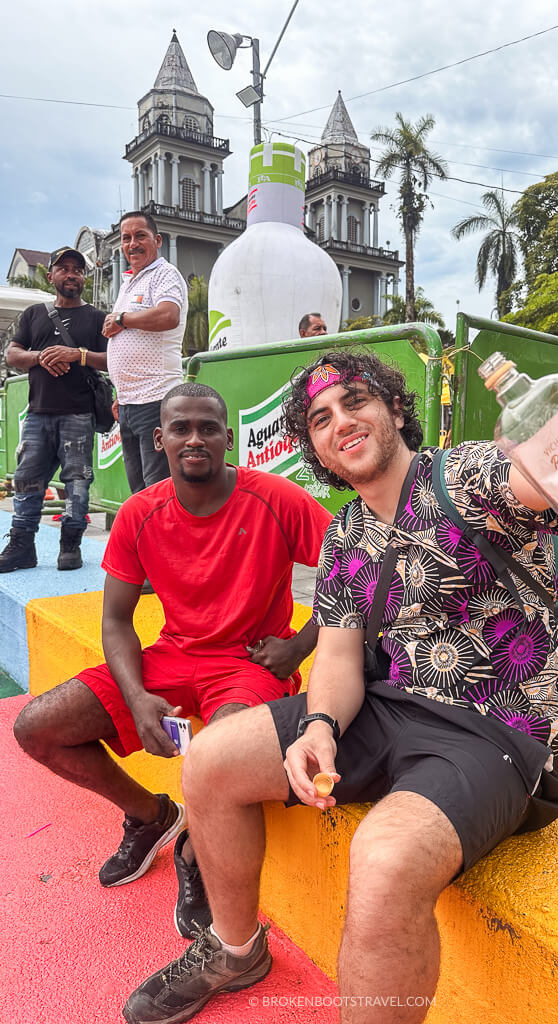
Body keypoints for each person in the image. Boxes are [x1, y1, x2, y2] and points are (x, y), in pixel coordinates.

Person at [123, 349, 558, 1024]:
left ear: (394, 408)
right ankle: (234, 948)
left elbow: (533, 474)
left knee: (381, 859)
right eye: (319, 417)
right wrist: (318, 727)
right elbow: (341, 659)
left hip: (493, 727)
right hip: (386, 707)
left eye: (355, 400)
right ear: (313, 445)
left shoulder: (463, 475)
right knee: (209, 760)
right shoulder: (344, 533)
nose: (340, 421)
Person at [13, 381, 331, 940]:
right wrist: (135, 698)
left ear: (228, 438)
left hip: (251, 664)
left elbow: (354, 572)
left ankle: (195, 854)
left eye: (209, 427)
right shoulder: (140, 513)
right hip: (173, 656)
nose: (195, 439)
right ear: (158, 438)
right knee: (37, 727)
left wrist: (299, 644)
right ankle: (152, 817)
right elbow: (115, 620)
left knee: (221, 757)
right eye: (180, 428)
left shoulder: (275, 498)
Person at [0, 247, 108, 573]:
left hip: (78, 413)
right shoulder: (35, 314)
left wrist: (77, 354)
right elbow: (12, 355)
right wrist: (43, 356)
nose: (71, 274)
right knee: (26, 480)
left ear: (84, 278)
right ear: (52, 277)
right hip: (37, 413)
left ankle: (70, 545)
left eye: (77, 269)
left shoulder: (97, 318)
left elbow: (114, 359)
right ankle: (21, 546)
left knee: (77, 481)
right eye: (64, 269)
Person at [102, 211, 188, 494]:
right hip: (129, 404)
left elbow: (168, 315)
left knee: (158, 491)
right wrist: (120, 392)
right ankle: (144, 540)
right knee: (140, 493)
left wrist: (122, 319)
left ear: (158, 240)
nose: (132, 244)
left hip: (156, 401)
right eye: (126, 238)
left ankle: (163, 540)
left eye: (141, 235)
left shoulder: (164, 273)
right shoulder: (129, 282)